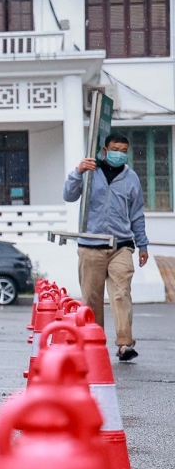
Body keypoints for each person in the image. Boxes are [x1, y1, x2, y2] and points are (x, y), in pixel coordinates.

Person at [62, 131, 149, 361]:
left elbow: (137, 214)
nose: (119, 155)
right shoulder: (91, 172)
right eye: (115, 150)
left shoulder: (131, 179)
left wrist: (142, 245)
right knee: (92, 298)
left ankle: (125, 345)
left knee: (121, 294)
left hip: (121, 245)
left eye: (123, 151)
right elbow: (69, 195)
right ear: (105, 150)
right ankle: (94, 342)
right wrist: (78, 172)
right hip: (91, 245)